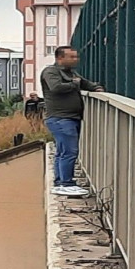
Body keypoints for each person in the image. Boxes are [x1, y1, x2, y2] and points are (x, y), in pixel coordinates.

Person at [41, 45, 104, 196]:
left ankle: (60, 182)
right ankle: (66, 183)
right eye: (72, 57)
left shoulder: (71, 73)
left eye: (76, 56)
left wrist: (96, 88)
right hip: (60, 118)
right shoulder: (51, 72)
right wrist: (74, 84)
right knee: (69, 151)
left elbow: (85, 83)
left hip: (71, 117)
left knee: (63, 151)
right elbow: (56, 87)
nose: (76, 59)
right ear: (60, 57)